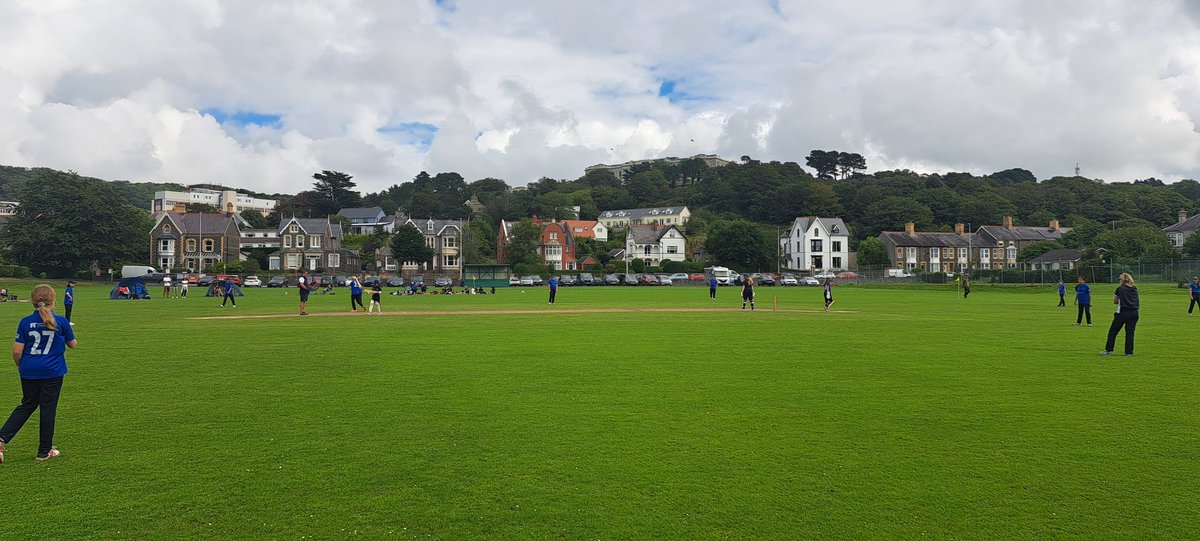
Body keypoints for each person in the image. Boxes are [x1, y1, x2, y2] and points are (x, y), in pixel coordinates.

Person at [0, 284, 77, 463]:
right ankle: (44, 451)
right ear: (53, 300)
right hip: (52, 371)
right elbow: (73, 344)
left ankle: (2, 438)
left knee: (27, 404)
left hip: (29, 370)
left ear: (33, 301)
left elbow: (17, 351)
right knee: (47, 408)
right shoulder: (61, 321)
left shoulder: (25, 322)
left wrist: (21, 366)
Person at [1102, 273, 1139, 357]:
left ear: (1123, 280)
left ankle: (1109, 350)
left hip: (1123, 312)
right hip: (1134, 312)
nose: (1119, 280)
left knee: (1113, 331)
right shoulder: (1134, 288)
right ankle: (1129, 352)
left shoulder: (1120, 288)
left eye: (1120, 279)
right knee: (1130, 333)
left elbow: (1115, 301)